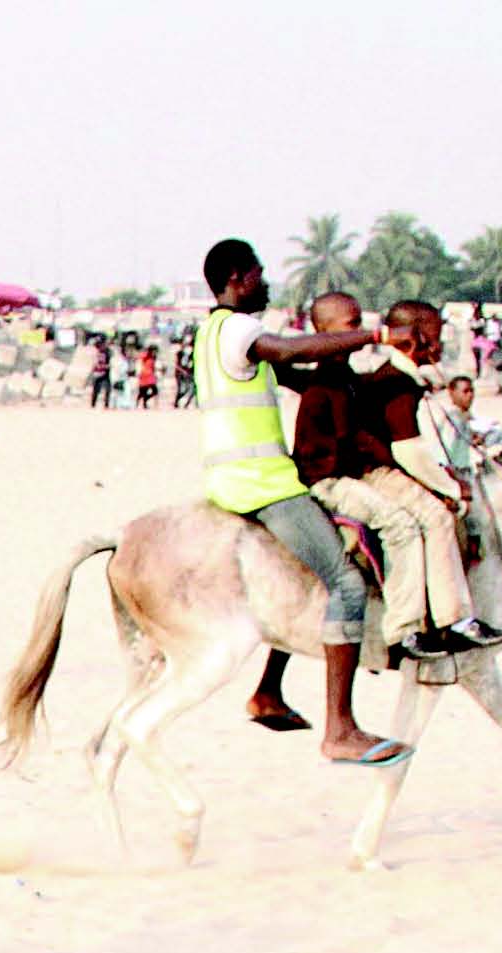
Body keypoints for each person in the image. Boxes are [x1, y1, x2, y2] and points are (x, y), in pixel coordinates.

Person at [195, 239, 404, 765]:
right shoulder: (244, 329)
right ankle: (340, 728)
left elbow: (300, 377)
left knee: (304, 574)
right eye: (259, 275)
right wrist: (375, 334)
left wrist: (380, 373)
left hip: (231, 476)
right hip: (262, 483)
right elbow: (291, 353)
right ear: (238, 277)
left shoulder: (212, 333)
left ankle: (269, 691)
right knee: (345, 582)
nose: (265, 283)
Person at [324, 296, 502, 656]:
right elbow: (407, 451)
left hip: (382, 468)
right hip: (373, 472)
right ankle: (425, 625)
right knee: (437, 517)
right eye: (436, 335)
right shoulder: (396, 383)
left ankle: (448, 617)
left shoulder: (401, 378)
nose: (440, 345)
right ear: (416, 337)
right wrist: (451, 487)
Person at [88, 337, 112, 409]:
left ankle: (106, 405)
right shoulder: (96, 352)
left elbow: (109, 362)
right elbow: (94, 363)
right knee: (96, 390)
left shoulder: (107, 352)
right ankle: (93, 404)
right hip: (98, 373)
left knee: (107, 389)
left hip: (105, 373)